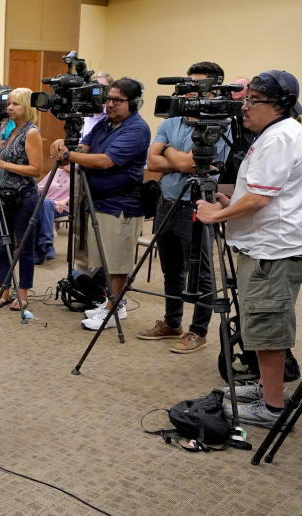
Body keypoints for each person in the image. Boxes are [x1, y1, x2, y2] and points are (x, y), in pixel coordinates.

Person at [197, 70, 302, 427]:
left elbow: (259, 198)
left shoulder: (279, 138)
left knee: (267, 326)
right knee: (259, 323)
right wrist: (232, 202)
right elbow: (262, 192)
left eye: (253, 101)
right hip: (265, 245)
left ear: (278, 105)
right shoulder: (275, 134)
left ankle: (272, 407)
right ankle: (264, 387)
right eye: (246, 100)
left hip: (271, 251)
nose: (245, 107)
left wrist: (219, 214)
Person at [137, 62, 229, 354]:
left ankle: (198, 331)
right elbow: (152, 163)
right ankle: (172, 322)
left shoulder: (222, 123)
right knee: (171, 269)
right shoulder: (170, 120)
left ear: (214, 89)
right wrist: (174, 158)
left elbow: (192, 163)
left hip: (198, 206)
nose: (189, 92)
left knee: (200, 273)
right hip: (167, 202)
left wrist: (167, 153)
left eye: (196, 86)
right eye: (187, 85)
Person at [49, 78, 151, 330]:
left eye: (118, 100)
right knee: (104, 259)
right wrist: (66, 145)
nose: (111, 104)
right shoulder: (106, 123)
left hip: (122, 203)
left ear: (134, 103)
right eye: (109, 99)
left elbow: (107, 161)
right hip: (99, 201)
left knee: (117, 261)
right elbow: (85, 146)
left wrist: (69, 156)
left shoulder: (137, 129)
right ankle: (111, 302)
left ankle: (114, 308)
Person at [0, 88, 42, 311]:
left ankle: (23, 293)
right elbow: (0, 157)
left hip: (24, 196)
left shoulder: (31, 132)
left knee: (24, 247)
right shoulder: (10, 130)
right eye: (8, 104)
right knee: (3, 246)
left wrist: (3, 165)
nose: (9, 108)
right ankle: (5, 291)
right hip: (3, 197)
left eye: (15, 104)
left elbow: (36, 169)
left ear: (27, 107)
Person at [35, 162, 70, 263]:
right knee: (44, 204)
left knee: (44, 205)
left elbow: (79, 192)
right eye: (67, 162)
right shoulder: (54, 172)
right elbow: (38, 188)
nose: (69, 164)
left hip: (62, 208)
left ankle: (44, 246)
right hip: (46, 204)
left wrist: (65, 201)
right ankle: (46, 246)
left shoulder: (78, 175)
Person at [81, 72, 113, 138]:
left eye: (102, 88)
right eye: (94, 88)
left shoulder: (115, 116)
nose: (97, 93)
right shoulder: (83, 115)